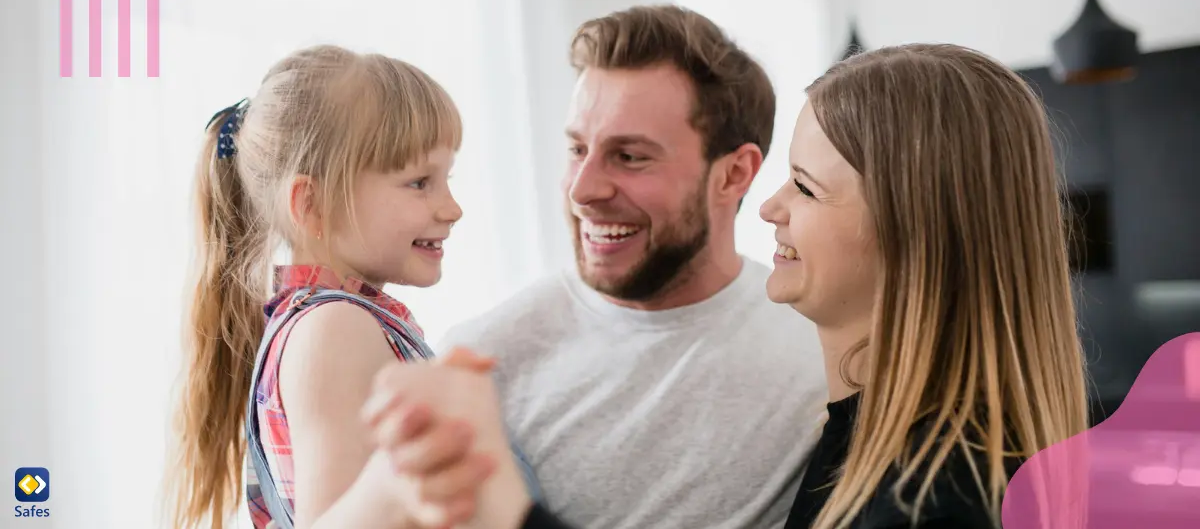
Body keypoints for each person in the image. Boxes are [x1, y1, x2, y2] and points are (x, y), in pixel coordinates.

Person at [363, 43, 1093, 529]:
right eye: (578, 148)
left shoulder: (937, 495)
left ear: (915, 233)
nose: (770, 209)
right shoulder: (866, 440)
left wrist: (499, 501)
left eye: (804, 187)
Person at [434, 4, 828, 529]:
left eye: (630, 156)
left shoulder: (826, 358)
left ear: (734, 175)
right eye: (578, 148)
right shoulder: (483, 362)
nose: (583, 190)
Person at [167, 45, 534, 529]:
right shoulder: (334, 329)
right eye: (420, 182)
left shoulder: (334, 324)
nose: (452, 208)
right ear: (312, 204)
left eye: (447, 178)